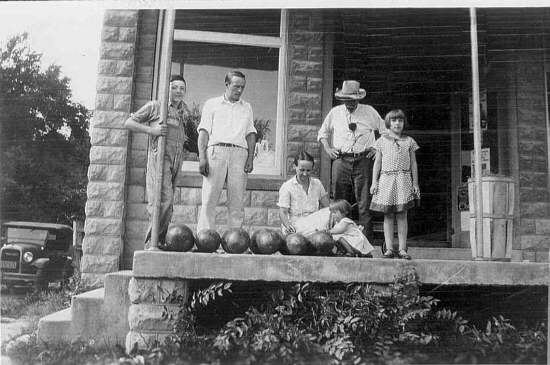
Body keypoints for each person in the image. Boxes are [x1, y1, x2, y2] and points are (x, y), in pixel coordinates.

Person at [124, 75, 190, 247]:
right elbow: (129, 122)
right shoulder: (156, 106)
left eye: (182, 88)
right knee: (161, 202)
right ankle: (150, 245)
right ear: (167, 89)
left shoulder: (183, 111)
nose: (178, 91)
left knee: (168, 205)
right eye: (174, 87)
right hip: (159, 160)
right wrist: (151, 130)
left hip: (175, 162)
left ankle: (159, 242)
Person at [317, 80, 385, 243]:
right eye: (346, 100)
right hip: (341, 160)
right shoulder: (335, 112)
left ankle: (365, 245)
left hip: (362, 161)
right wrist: (328, 149)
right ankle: (338, 243)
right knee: (339, 203)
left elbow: (385, 132)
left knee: (364, 203)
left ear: (358, 99)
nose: (350, 104)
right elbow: (322, 134)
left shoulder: (369, 112)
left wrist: (376, 148)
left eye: (352, 100)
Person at [196, 71, 256, 232]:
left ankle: (235, 239)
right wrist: (202, 157)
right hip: (216, 152)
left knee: (236, 200)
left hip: (239, 154)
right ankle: (205, 236)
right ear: (227, 84)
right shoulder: (212, 104)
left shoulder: (247, 107)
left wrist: (250, 158)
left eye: (242, 87)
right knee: (209, 197)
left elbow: (250, 133)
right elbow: (203, 133)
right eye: (236, 86)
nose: (239, 90)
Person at [370, 109, 420, 260]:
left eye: (400, 121)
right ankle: (389, 248)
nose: (397, 123)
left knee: (402, 214)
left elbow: (413, 163)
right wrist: (374, 182)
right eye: (394, 121)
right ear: (388, 123)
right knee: (388, 214)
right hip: (386, 179)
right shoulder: (381, 141)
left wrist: (415, 183)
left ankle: (403, 249)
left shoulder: (409, 141)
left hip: (403, 178)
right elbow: (377, 163)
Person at [278, 151, 330, 235]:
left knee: (331, 212)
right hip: (296, 223)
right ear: (294, 166)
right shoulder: (287, 186)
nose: (305, 174)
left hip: (314, 221)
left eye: (308, 170)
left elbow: (328, 206)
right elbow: (283, 212)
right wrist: (288, 226)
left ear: (312, 168)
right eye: (302, 170)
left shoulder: (317, 183)